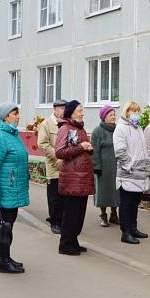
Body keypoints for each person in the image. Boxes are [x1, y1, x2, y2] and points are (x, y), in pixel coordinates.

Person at [0, 102, 30, 274]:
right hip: (4, 191)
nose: (18, 116)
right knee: (5, 227)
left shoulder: (12, 135)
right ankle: (3, 261)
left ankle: (5, 257)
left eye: (18, 113)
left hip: (13, 189)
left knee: (8, 225)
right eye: (14, 113)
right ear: (5, 117)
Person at [55, 100, 95, 256]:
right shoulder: (65, 128)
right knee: (71, 213)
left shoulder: (80, 128)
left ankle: (73, 240)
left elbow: (80, 147)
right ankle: (65, 244)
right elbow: (60, 152)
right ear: (71, 113)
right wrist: (81, 147)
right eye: (80, 111)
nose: (82, 113)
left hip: (82, 178)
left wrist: (88, 149)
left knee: (79, 214)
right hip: (72, 178)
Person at [114, 101, 150, 244]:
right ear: (126, 112)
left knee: (135, 202)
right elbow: (120, 151)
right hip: (128, 175)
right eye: (133, 111)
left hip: (139, 174)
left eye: (138, 111)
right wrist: (129, 166)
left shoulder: (138, 128)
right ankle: (126, 232)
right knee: (126, 203)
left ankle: (133, 228)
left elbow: (143, 149)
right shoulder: (121, 128)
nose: (136, 114)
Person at [37, 99, 67, 234]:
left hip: (67, 166)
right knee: (55, 196)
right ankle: (55, 222)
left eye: (65, 109)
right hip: (54, 166)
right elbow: (43, 144)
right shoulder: (47, 124)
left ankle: (64, 221)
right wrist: (57, 158)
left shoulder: (67, 122)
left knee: (66, 196)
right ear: (54, 109)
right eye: (61, 108)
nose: (63, 111)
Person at [90, 105, 120, 227]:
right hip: (103, 167)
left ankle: (114, 214)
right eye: (110, 115)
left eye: (114, 114)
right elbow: (94, 150)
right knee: (103, 191)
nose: (113, 117)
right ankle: (103, 215)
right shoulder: (98, 131)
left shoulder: (118, 129)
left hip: (117, 166)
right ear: (104, 117)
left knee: (116, 191)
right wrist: (96, 166)